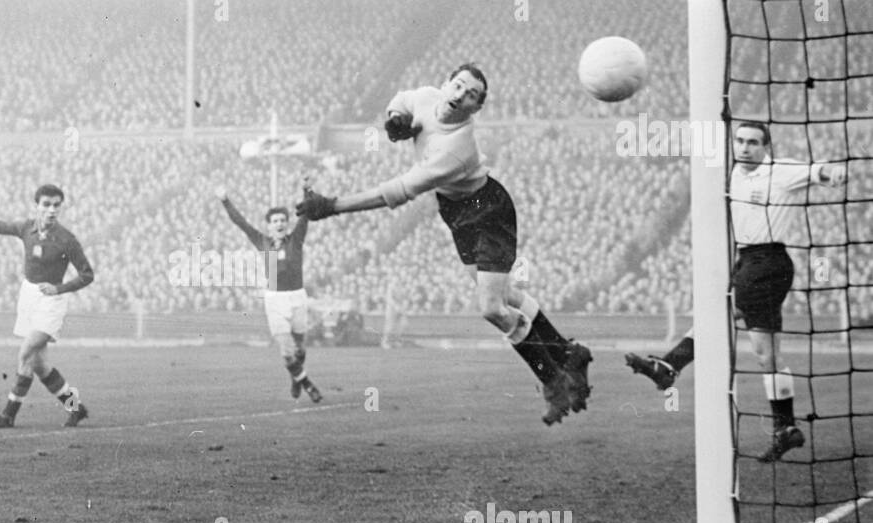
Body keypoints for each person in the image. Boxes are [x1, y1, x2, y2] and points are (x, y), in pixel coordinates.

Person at [296, 63, 592, 425]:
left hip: (488, 212)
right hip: (454, 211)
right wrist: (395, 118)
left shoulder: (457, 148)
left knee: (492, 308)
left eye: (471, 95)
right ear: (446, 84)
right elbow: (402, 99)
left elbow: (397, 191)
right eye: (459, 85)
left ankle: (553, 380)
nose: (460, 95)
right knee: (507, 295)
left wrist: (332, 206)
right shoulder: (426, 97)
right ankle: (568, 353)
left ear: (475, 109)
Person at [626, 122, 848, 462]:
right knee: (766, 355)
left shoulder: (781, 171)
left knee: (719, 311)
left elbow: (819, 170)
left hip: (769, 260)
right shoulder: (731, 175)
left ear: (765, 146)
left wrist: (834, 174)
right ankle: (785, 428)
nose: (745, 148)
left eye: (753, 143)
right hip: (746, 261)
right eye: (740, 141)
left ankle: (669, 367)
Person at [0, 185, 95, 428]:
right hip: (29, 296)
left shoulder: (67, 239)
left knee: (25, 353)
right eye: (46, 204)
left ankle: (8, 415)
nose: (51, 210)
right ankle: (76, 408)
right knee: (40, 365)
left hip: (51, 300)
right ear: (37, 205)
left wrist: (58, 288)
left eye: (56, 205)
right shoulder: (26, 228)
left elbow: (87, 275)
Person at [215, 185, 322, 402]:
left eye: (283, 220)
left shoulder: (296, 239)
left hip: (298, 297)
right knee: (286, 349)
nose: (280, 224)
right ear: (269, 226)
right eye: (275, 221)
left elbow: (306, 215)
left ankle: (296, 379)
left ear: (287, 223)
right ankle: (308, 384)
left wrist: (307, 191)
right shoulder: (262, 242)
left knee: (300, 349)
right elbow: (241, 223)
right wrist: (225, 200)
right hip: (275, 300)